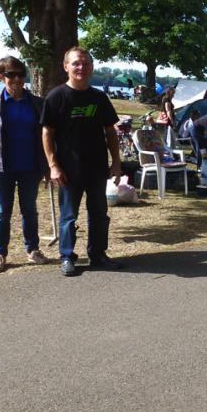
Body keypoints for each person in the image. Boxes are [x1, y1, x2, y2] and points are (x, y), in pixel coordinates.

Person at [41, 47, 123, 277]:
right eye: (76, 63)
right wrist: (53, 165)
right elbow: (47, 133)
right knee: (69, 217)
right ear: (66, 66)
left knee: (99, 214)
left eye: (86, 63)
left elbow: (110, 132)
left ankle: (98, 254)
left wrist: (116, 162)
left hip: (96, 167)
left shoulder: (99, 97)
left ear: (91, 67)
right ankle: (67, 256)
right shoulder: (56, 96)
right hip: (68, 169)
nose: (81, 67)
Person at [0, 55, 48, 273]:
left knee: (29, 209)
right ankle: (0, 254)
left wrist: (48, 166)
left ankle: (32, 249)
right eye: (11, 75)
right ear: (0, 76)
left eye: (20, 74)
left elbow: (46, 137)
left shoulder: (36, 103)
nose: (16, 79)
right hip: (0, 167)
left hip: (30, 166)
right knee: (2, 211)